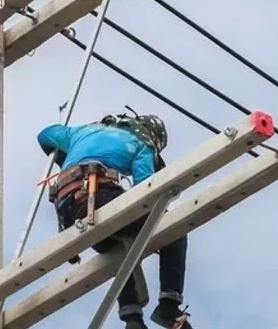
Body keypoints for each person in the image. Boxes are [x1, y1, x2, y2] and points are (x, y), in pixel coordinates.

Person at [36, 113, 192, 329]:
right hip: (98, 195)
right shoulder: (141, 143)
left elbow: (44, 135)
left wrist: (70, 161)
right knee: (174, 228)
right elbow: (146, 191)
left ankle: (133, 319)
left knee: (117, 248)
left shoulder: (78, 132)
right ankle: (169, 305)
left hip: (68, 211)